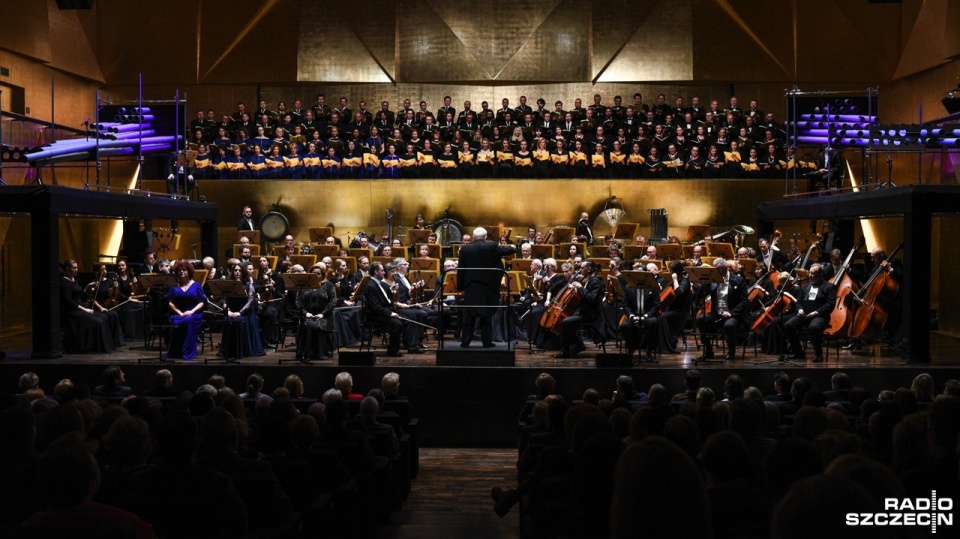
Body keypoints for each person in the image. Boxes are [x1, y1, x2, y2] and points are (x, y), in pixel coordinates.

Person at [456, 227, 517, 348]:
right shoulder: (492, 246)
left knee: (469, 314)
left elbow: (460, 269)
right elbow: (511, 250)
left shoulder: (465, 248)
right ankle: (487, 342)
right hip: (488, 286)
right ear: (485, 237)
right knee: (486, 313)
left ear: (473, 237)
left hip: (471, 286)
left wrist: (460, 287)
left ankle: (465, 342)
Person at [59, 259, 119, 354]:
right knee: (98, 321)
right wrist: (85, 310)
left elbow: (80, 295)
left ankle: (107, 347)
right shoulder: (64, 282)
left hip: (80, 308)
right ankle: (94, 348)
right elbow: (69, 302)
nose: (76, 269)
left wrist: (87, 287)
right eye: (74, 268)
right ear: (67, 269)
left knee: (104, 317)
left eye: (77, 267)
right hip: (73, 312)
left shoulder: (74, 279)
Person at [780, 263, 836, 363]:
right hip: (805, 314)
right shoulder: (805, 287)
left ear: (821, 274)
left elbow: (830, 305)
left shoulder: (829, 287)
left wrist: (817, 312)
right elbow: (799, 302)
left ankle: (818, 354)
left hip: (820, 316)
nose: (810, 275)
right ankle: (798, 353)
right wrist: (799, 309)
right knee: (789, 325)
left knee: (814, 327)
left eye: (813, 273)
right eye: (809, 273)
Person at [696, 257, 749, 361]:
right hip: (716, 313)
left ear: (725, 268)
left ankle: (731, 352)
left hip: (733, 315)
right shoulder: (713, 281)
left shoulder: (737, 280)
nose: (716, 271)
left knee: (729, 325)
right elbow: (699, 296)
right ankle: (709, 351)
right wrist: (704, 281)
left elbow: (744, 301)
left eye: (718, 269)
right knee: (700, 319)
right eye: (715, 269)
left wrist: (731, 313)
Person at [297, 262, 338, 361]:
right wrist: (305, 313)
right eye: (313, 273)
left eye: (318, 273)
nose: (316, 275)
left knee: (314, 325)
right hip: (308, 316)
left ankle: (310, 354)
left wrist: (323, 314)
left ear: (323, 274)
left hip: (324, 317)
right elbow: (298, 301)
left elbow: (333, 301)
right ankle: (307, 354)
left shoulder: (328, 285)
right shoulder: (305, 285)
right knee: (309, 324)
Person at [362, 261, 403, 357]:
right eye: (382, 271)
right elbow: (375, 307)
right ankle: (392, 351)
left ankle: (408, 345)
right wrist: (390, 313)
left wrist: (391, 291)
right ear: (376, 272)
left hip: (381, 312)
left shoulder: (378, 283)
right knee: (397, 324)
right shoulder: (371, 286)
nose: (384, 272)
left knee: (404, 318)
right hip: (374, 316)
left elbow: (384, 299)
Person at [167, 259, 206, 360]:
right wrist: (180, 312)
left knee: (188, 320)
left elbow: (201, 302)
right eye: (179, 270)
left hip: (193, 313)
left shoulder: (196, 285)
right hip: (178, 313)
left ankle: (187, 353)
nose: (182, 272)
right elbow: (170, 302)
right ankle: (176, 351)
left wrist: (191, 311)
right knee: (176, 321)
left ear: (189, 271)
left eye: (184, 269)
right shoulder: (174, 285)